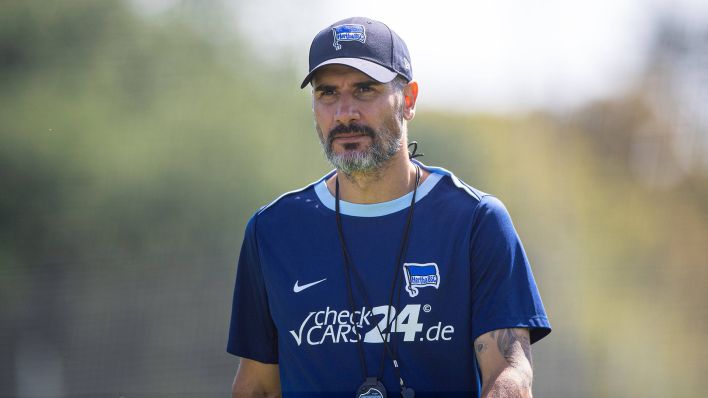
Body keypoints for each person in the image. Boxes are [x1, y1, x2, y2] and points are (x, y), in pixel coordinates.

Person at [227, 16, 551, 398]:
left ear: (409, 100)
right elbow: (258, 385)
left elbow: (509, 372)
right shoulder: (272, 231)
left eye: (365, 89)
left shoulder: (475, 221)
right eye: (327, 93)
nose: (345, 112)